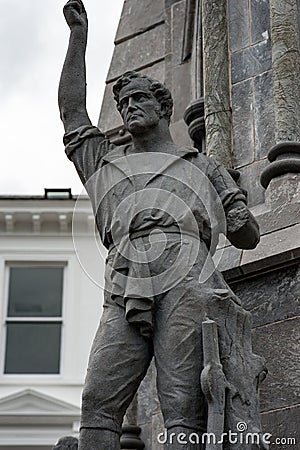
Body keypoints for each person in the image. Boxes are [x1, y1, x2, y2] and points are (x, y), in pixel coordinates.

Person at [59, 1, 262, 449]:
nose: (130, 107)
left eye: (139, 99)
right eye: (124, 102)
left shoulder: (200, 164)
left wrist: (239, 213)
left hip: (187, 276)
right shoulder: (104, 164)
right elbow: (73, 115)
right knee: (98, 398)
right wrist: (78, 37)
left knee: (181, 402)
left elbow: (248, 235)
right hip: (126, 278)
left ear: (162, 106)